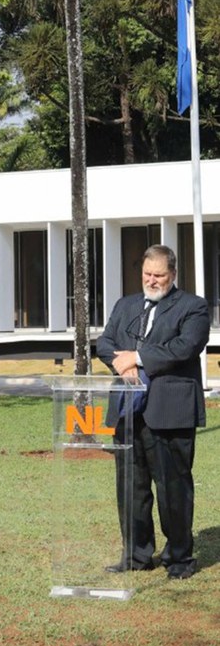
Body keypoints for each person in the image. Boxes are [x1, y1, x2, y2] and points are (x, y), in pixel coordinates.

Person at [96, 244, 209, 579]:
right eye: (147, 274)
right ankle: (136, 555)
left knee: (173, 486)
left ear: (172, 274)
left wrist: (139, 358)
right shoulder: (126, 305)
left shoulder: (193, 307)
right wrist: (121, 363)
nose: (152, 280)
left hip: (169, 411)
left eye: (159, 275)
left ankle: (179, 559)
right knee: (131, 487)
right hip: (128, 412)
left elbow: (185, 347)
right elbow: (105, 342)